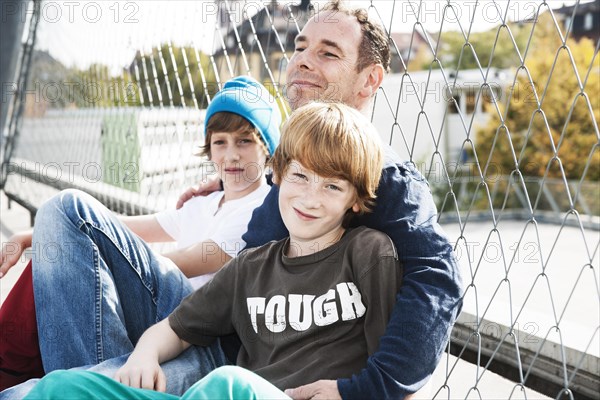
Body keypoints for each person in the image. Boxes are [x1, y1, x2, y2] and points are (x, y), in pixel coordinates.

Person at [176, 1, 463, 399]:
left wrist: (368, 390)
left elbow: (437, 281)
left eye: (328, 53)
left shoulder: (385, 177)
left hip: (250, 374)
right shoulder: (288, 171)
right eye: (300, 47)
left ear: (369, 80)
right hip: (226, 339)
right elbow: (254, 254)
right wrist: (233, 181)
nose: (302, 62)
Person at [25, 101, 403, 400]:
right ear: (279, 174)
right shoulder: (251, 266)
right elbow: (173, 328)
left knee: (229, 385)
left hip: (256, 393)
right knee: (59, 388)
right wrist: (144, 355)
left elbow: (395, 370)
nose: (310, 198)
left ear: (355, 199)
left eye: (332, 187)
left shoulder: (368, 253)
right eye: (300, 176)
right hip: (222, 390)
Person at [0, 76, 281, 392]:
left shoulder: (264, 207)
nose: (231, 155)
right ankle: (87, 383)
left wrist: (100, 256)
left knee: (71, 206)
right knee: (62, 209)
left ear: (267, 148)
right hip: (161, 326)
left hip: (200, 328)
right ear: (209, 148)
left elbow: (181, 261)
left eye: (244, 141)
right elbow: (118, 226)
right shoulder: (203, 203)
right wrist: (32, 234)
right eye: (220, 142)